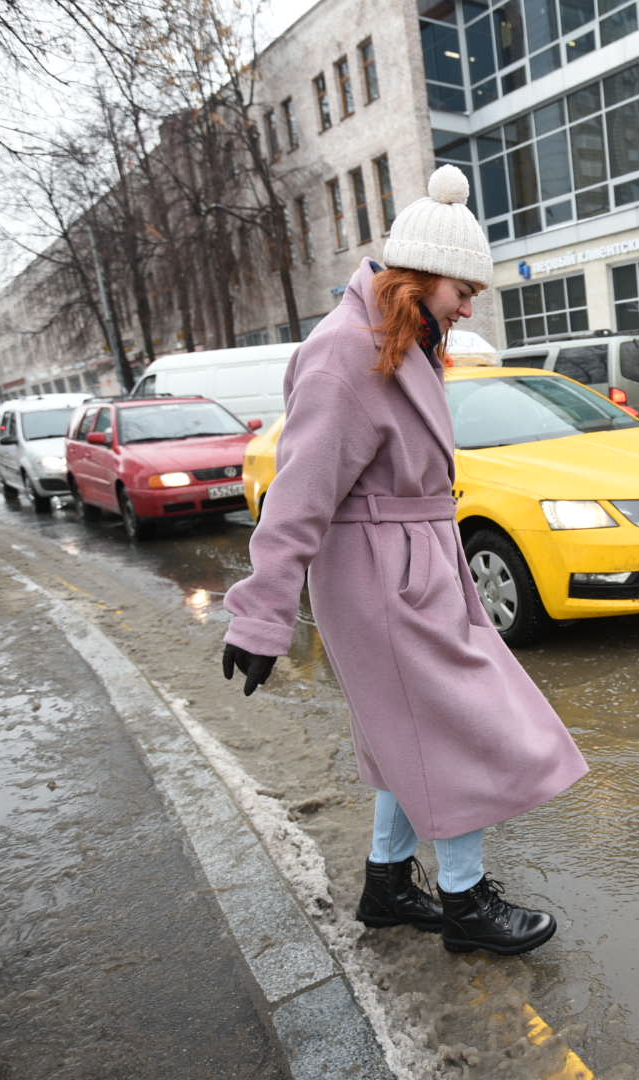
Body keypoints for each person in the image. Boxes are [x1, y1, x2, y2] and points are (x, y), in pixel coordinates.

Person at [219, 165, 588, 956]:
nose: (470, 303)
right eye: (463, 287)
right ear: (419, 276)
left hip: (413, 566)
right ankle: (464, 905)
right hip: (379, 576)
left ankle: (387, 887)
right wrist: (262, 615)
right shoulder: (342, 354)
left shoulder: (396, 339)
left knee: (407, 732)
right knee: (458, 730)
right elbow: (300, 493)